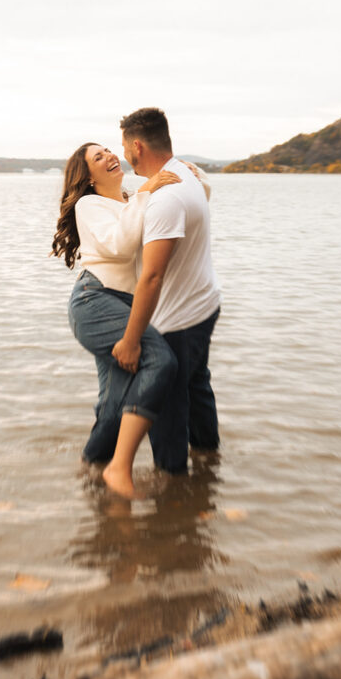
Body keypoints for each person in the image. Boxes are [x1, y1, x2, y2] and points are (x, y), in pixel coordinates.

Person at [51, 142, 181, 498]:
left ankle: (91, 475)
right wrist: (145, 192)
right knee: (161, 361)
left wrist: (190, 178)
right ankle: (119, 468)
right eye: (98, 157)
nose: (109, 155)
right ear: (88, 177)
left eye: (109, 150)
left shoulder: (128, 200)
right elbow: (121, 245)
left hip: (121, 303)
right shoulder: (88, 204)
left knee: (112, 407)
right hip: (95, 301)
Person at [112, 107, 221, 474]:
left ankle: (172, 487)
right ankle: (208, 461)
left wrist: (131, 340)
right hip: (204, 302)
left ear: (137, 146)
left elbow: (152, 277)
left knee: (169, 405)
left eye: (125, 147)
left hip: (179, 318)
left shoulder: (167, 196)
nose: (124, 155)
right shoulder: (184, 175)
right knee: (196, 385)